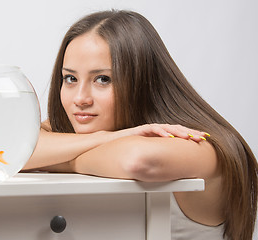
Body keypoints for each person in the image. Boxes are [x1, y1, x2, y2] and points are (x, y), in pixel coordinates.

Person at [22, 10, 257, 240]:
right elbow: (9, 146)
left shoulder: (202, 146)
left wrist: (54, 159)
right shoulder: (98, 132)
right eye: (70, 78)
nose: (80, 98)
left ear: (143, 80)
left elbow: (138, 161)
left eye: (103, 79)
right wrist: (107, 137)